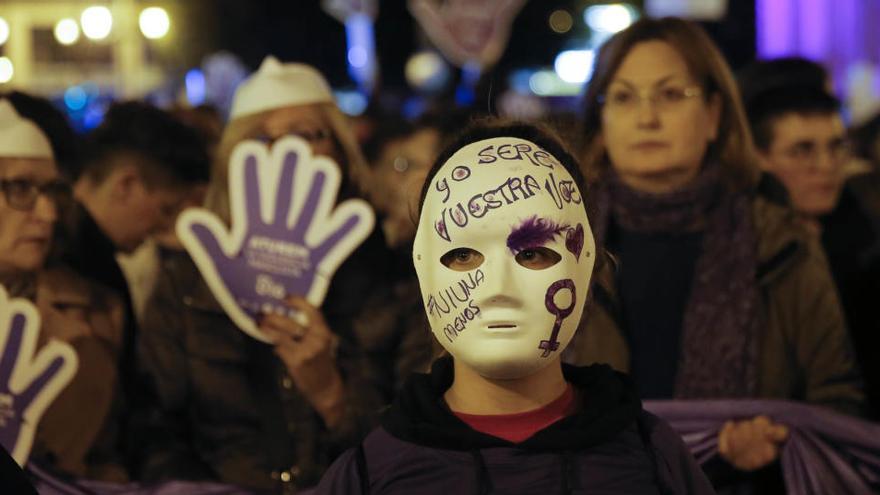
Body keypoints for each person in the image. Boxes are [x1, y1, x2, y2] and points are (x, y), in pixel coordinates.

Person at [316, 119, 715, 494]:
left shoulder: (652, 459)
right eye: (463, 256)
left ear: (588, 263)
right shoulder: (372, 475)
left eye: (535, 254)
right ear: (423, 267)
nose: (498, 288)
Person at [571, 16, 863, 487]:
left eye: (670, 95)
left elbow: (837, 403)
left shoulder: (781, 243)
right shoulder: (560, 245)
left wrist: (774, 435)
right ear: (600, 124)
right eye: (623, 97)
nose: (647, 118)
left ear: (713, 115)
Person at [138, 56, 381, 492]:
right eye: (260, 140)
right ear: (233, 160)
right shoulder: (187, 283)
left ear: (342, 152)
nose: (286, 153)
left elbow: (414, 442)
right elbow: (152, 424)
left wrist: (332, 395)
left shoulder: (392, 279)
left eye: (306, 135)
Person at [0, 97, 126, 480]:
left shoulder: (98, 311)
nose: (49, 214)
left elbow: (110, 457)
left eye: (53, 191)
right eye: (20, 188)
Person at [742, 78, 880, 420]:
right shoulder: (743, 255)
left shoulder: (865, 243)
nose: (825, 164)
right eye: (803, 150)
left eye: (836, 147)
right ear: (759, 159)